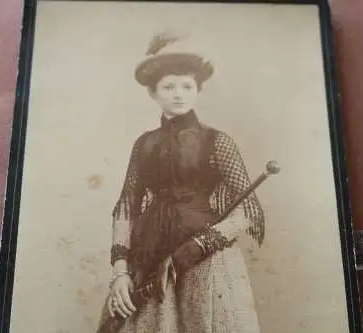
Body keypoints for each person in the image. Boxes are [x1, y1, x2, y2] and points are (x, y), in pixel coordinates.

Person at [97, 31, 267, 333]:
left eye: (187, 86)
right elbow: (126, 206)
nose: (179, 94)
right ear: (153, 93)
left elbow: (248, 209)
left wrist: (203, 243)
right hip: (150, 260)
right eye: (169, 87)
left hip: (206, 261)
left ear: (197, 90)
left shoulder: (217, 141)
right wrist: (120, 270)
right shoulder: (144, 144)